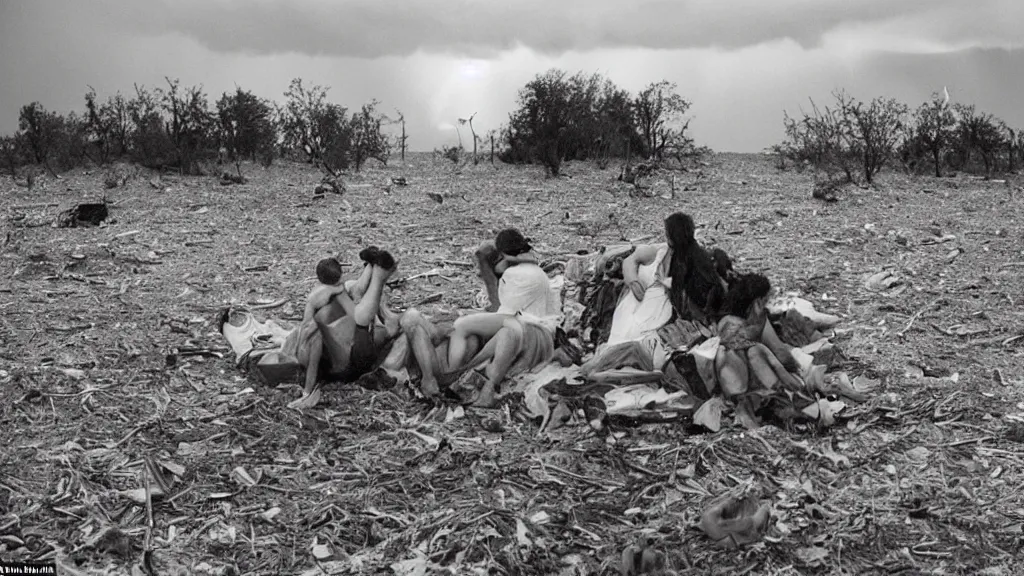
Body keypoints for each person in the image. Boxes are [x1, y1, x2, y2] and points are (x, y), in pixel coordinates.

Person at [406, 228, 561, 406]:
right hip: (530, 328)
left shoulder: (519, 275)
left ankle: (455, 373)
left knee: (464, 328)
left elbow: (503, 313)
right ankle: (452, 372)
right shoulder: (529, 271)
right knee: (467, 333)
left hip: (527, 330)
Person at [288, 247, 400, 409]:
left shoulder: (317, 304)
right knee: (355, 303)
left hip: (355, 354)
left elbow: (311, 340)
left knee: (353, 299)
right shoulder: (330, 300)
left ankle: (373, 269)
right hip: (358, 353)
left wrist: (307, 391)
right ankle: (374, 271)